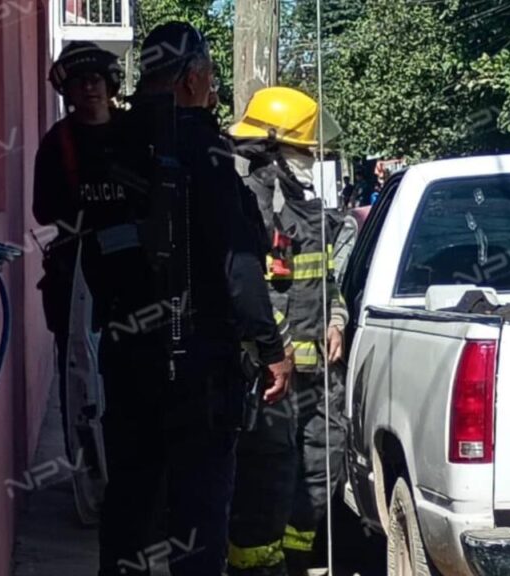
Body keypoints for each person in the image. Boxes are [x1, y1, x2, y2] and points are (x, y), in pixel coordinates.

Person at [85, 22, 292, 576]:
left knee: (130, 500)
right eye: (209, 78)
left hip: (127, 355)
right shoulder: (207, 152)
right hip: (198, 364)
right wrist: (270, 347)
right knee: (197, 515)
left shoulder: (110, 144)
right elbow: (239, 263)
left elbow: (87, 248)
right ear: (193, 77)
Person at [228, 86, 350, 576]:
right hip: (273, 379)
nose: (313, 161)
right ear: (277, 150)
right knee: (267, 479)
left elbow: (326, 280)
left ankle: (298, 562)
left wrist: (337, 319)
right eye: (306, 151)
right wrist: (275, 346)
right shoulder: (251, 203)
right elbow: (247, 290)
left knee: (318, 470)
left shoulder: (304, 201)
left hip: (318, 376)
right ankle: (256, 567)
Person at [33, 40, 123, 524]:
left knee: (128, 383)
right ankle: (92, 492)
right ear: (66, 91)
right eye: (79, 82)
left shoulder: (132, 134)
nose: (89, 90)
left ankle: (134, 481)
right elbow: (42, 209)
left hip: (132, 283)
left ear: (110, 86)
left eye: (96, 80)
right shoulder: (57, 143)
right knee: (81, 387)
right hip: (77, 280)